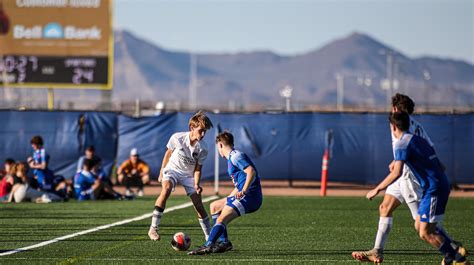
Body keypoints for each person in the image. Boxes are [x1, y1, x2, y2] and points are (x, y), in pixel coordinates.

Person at [352, 94, 465, 263]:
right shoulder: (414, 126)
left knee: (422, 224)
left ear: (396, 109)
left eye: (393, 108)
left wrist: (377, 188)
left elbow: (406, 151)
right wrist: (397, 160)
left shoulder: (398, 126)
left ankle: (454, 248)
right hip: (403, 174)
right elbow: (427, 148)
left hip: (409, 177)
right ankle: (377, 251)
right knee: (385, 207)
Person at [188, 131, 263, 255]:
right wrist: (229, 198)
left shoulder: (235, 156)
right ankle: (224, 243)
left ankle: (208, 245)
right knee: (215, 206)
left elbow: (251, 171)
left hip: (250, 196)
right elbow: (240, 182)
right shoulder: (233, 157)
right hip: (246, 194)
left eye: (217, 147)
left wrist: (244, 190)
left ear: (220, 145)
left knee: (221, 219)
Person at [148, 111, 213, 241]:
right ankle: (153, 228)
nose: (203, 134)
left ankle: (209, 238)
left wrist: (196, 184)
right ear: (192, 128)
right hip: (172, 169)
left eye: (205, 131)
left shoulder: (203, 148)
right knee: (166, 189)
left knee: (199, 206)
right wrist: (162, 171)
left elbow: (198, 168)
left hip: (188, 176)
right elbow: (168, 153)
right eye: (201, 130)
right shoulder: (177, 138)